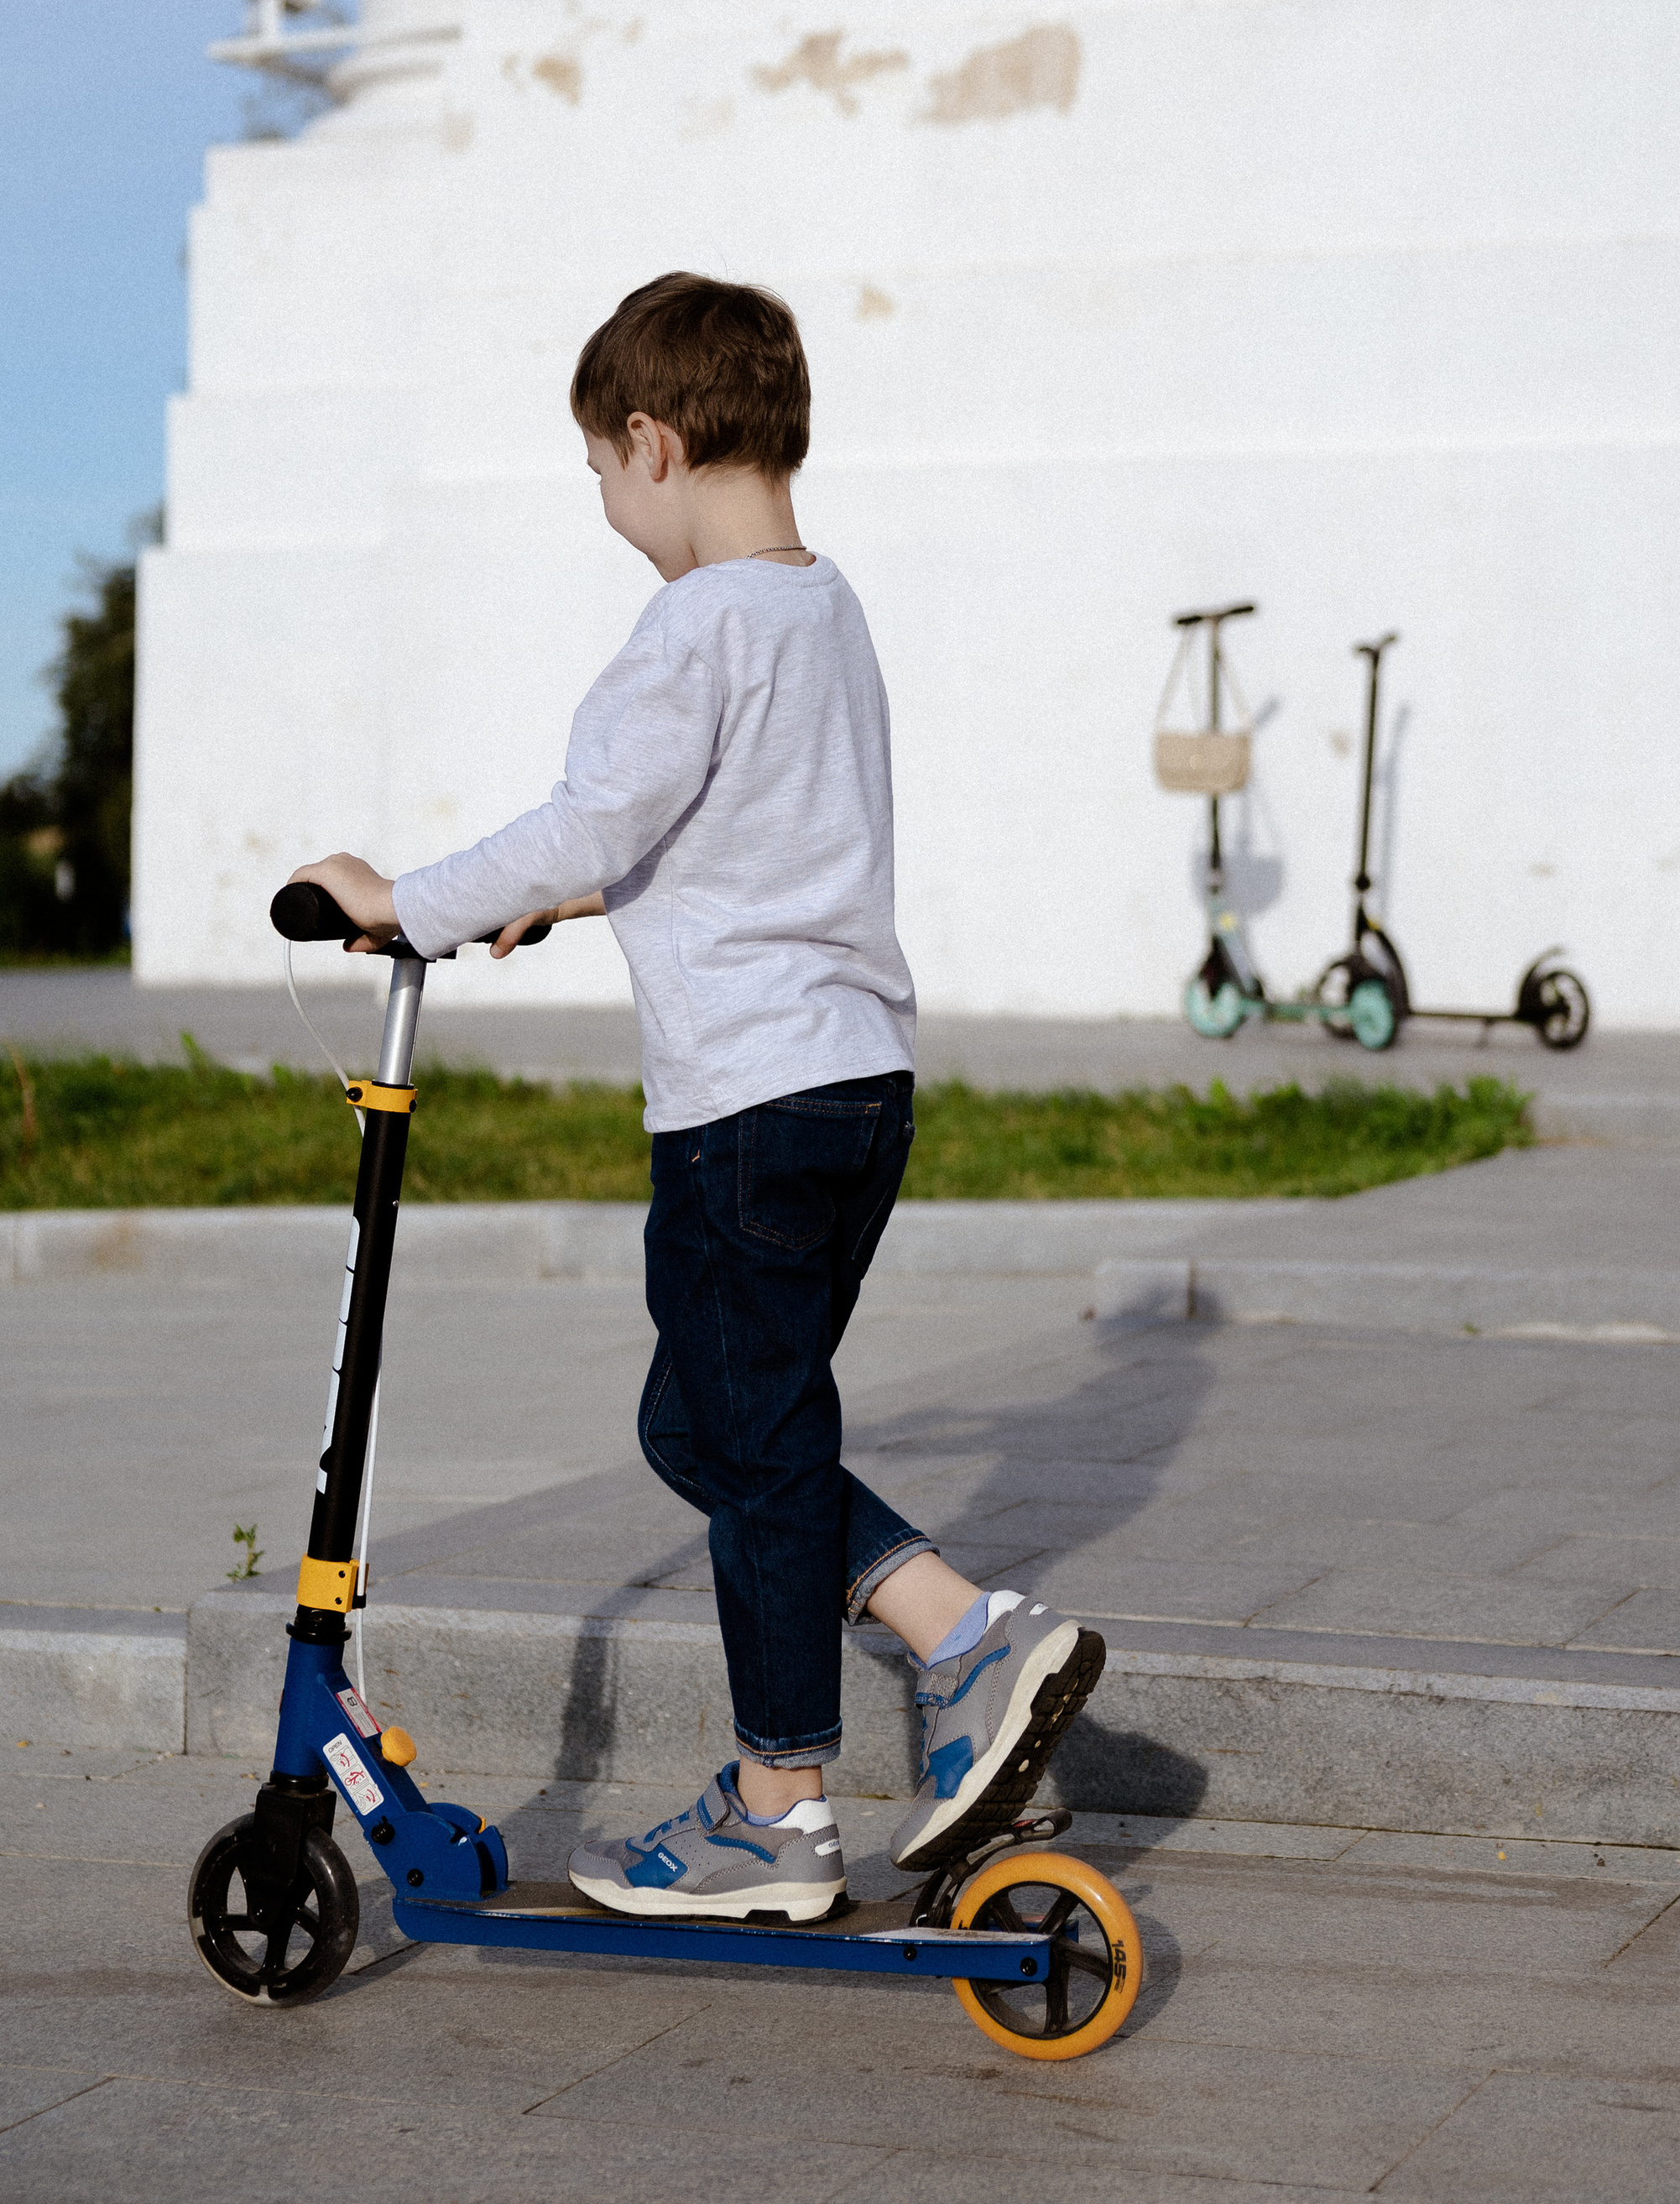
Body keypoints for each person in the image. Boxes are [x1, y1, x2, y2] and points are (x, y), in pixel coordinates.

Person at [291, 269, 1102, 1924]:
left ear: (652, 441)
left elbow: (599, 813)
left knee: (747, 1427)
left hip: (743, 1106)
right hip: (853, 1087)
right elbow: (745, 834)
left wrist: (411, 898)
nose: (613, 514)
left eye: (603, 478)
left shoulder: (692, 626)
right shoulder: (822, 608)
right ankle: (933, 1656)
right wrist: (586, 902)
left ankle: (802, 1785)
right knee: (713, 1424)